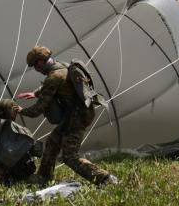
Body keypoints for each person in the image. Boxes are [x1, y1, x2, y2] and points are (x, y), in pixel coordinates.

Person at [14, 46, 116, 186]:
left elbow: (38, 109)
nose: (36, 70)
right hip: (76, 115)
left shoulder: (54, 77)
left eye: (35, 66)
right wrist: (35, 93)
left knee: (69, 156)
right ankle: (43, 177)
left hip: (76, 119)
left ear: (39, 62)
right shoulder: (62, 66)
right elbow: (57, 85)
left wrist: (20, 111)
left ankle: (104, 179)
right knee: (52, 142)